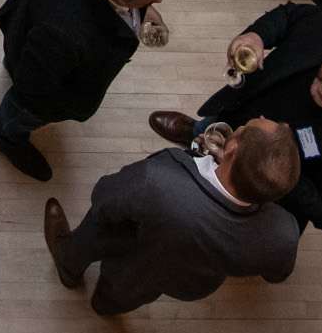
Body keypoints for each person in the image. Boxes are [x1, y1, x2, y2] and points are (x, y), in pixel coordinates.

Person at [147, 8, 322, 236]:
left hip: (256, 194)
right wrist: (256, 36)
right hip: (234, 120)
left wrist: (278, 171)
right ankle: (195, 133)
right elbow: (287, 16)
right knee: (209, 129)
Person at [42, 122, 302, 315]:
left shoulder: (160, 181)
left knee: (100, 228)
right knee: (129, 291)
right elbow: (276, 274)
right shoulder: (284, 232)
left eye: (244, 126)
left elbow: (103, 195)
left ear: (232, 148)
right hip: (182, 279)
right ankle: (105, 306)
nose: (242, 124)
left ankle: (68, 265)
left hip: (131, 239)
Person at [0, 0, 161, 180]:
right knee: (22, 108)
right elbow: (34, 90)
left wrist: (140, 10)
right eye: (146, 0)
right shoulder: (66, 32)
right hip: (42, 67)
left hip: (29, 22)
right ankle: (4, 132)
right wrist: (72, 108)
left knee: (21, 57)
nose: (158, 1)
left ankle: (13, 62)